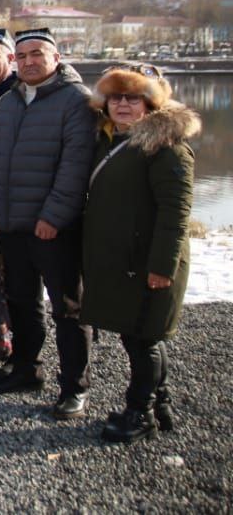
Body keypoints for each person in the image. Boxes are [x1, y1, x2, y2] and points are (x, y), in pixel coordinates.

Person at [83, 63, 198, 443]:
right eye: (116, 97)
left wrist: (162, 267)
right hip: (125, 262)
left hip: (150, 262)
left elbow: (175, 215)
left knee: (143, 338)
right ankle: (159, 403)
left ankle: (140, 413)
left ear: (150, 103)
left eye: (133, 97)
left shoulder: (167, 149)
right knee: (141, 336)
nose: (123, 105)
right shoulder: (111, 140)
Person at [0, 28, 96, 420]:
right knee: (21, 300)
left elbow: (75, 166)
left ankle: (74, 387)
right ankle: (27, 369)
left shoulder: (76, 101)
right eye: (23, 55)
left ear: (56, 56)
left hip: (53, 227)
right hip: (13, 223)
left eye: (37, 54)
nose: (30, 61)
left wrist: (54, 216)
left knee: (67, 308)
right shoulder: (11, 100)